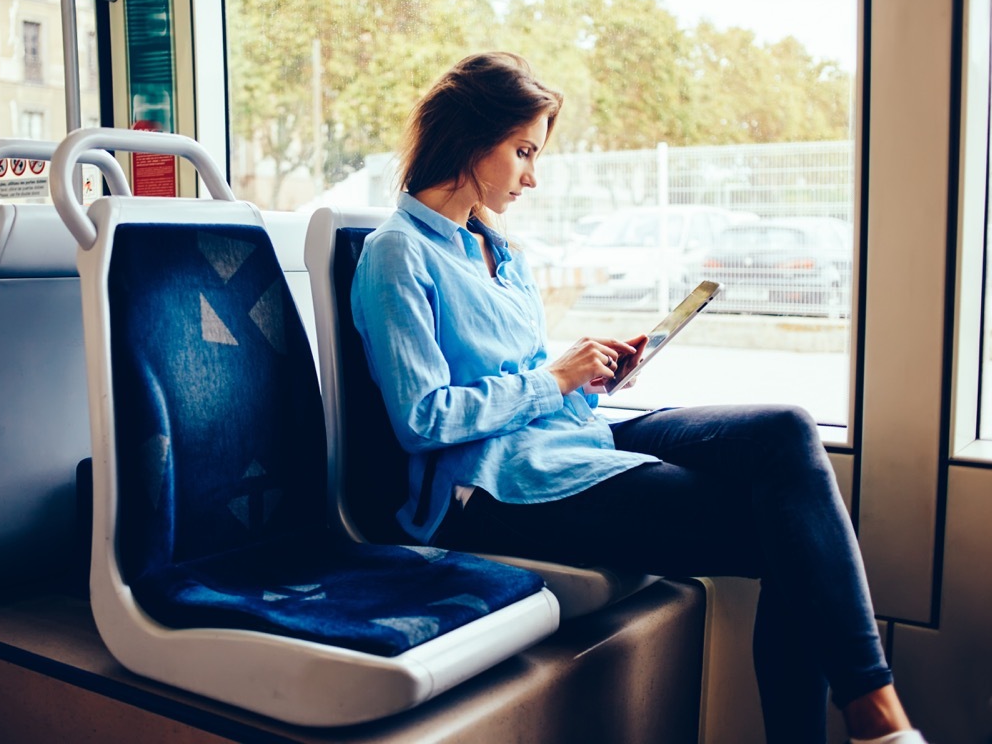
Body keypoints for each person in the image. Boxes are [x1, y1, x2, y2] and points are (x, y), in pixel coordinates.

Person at [350, 51, 926, 744]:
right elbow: (422, 419)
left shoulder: (501, 252)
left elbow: (533, 386)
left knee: (785, 429)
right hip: (489, 490)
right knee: (792, 539)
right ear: (471, 137)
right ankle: (878, 718)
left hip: (564, 444)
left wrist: (589, 381)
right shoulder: (397, 253)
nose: (532, 176)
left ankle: (875, 711)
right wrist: (555, 379)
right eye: (523, 151)